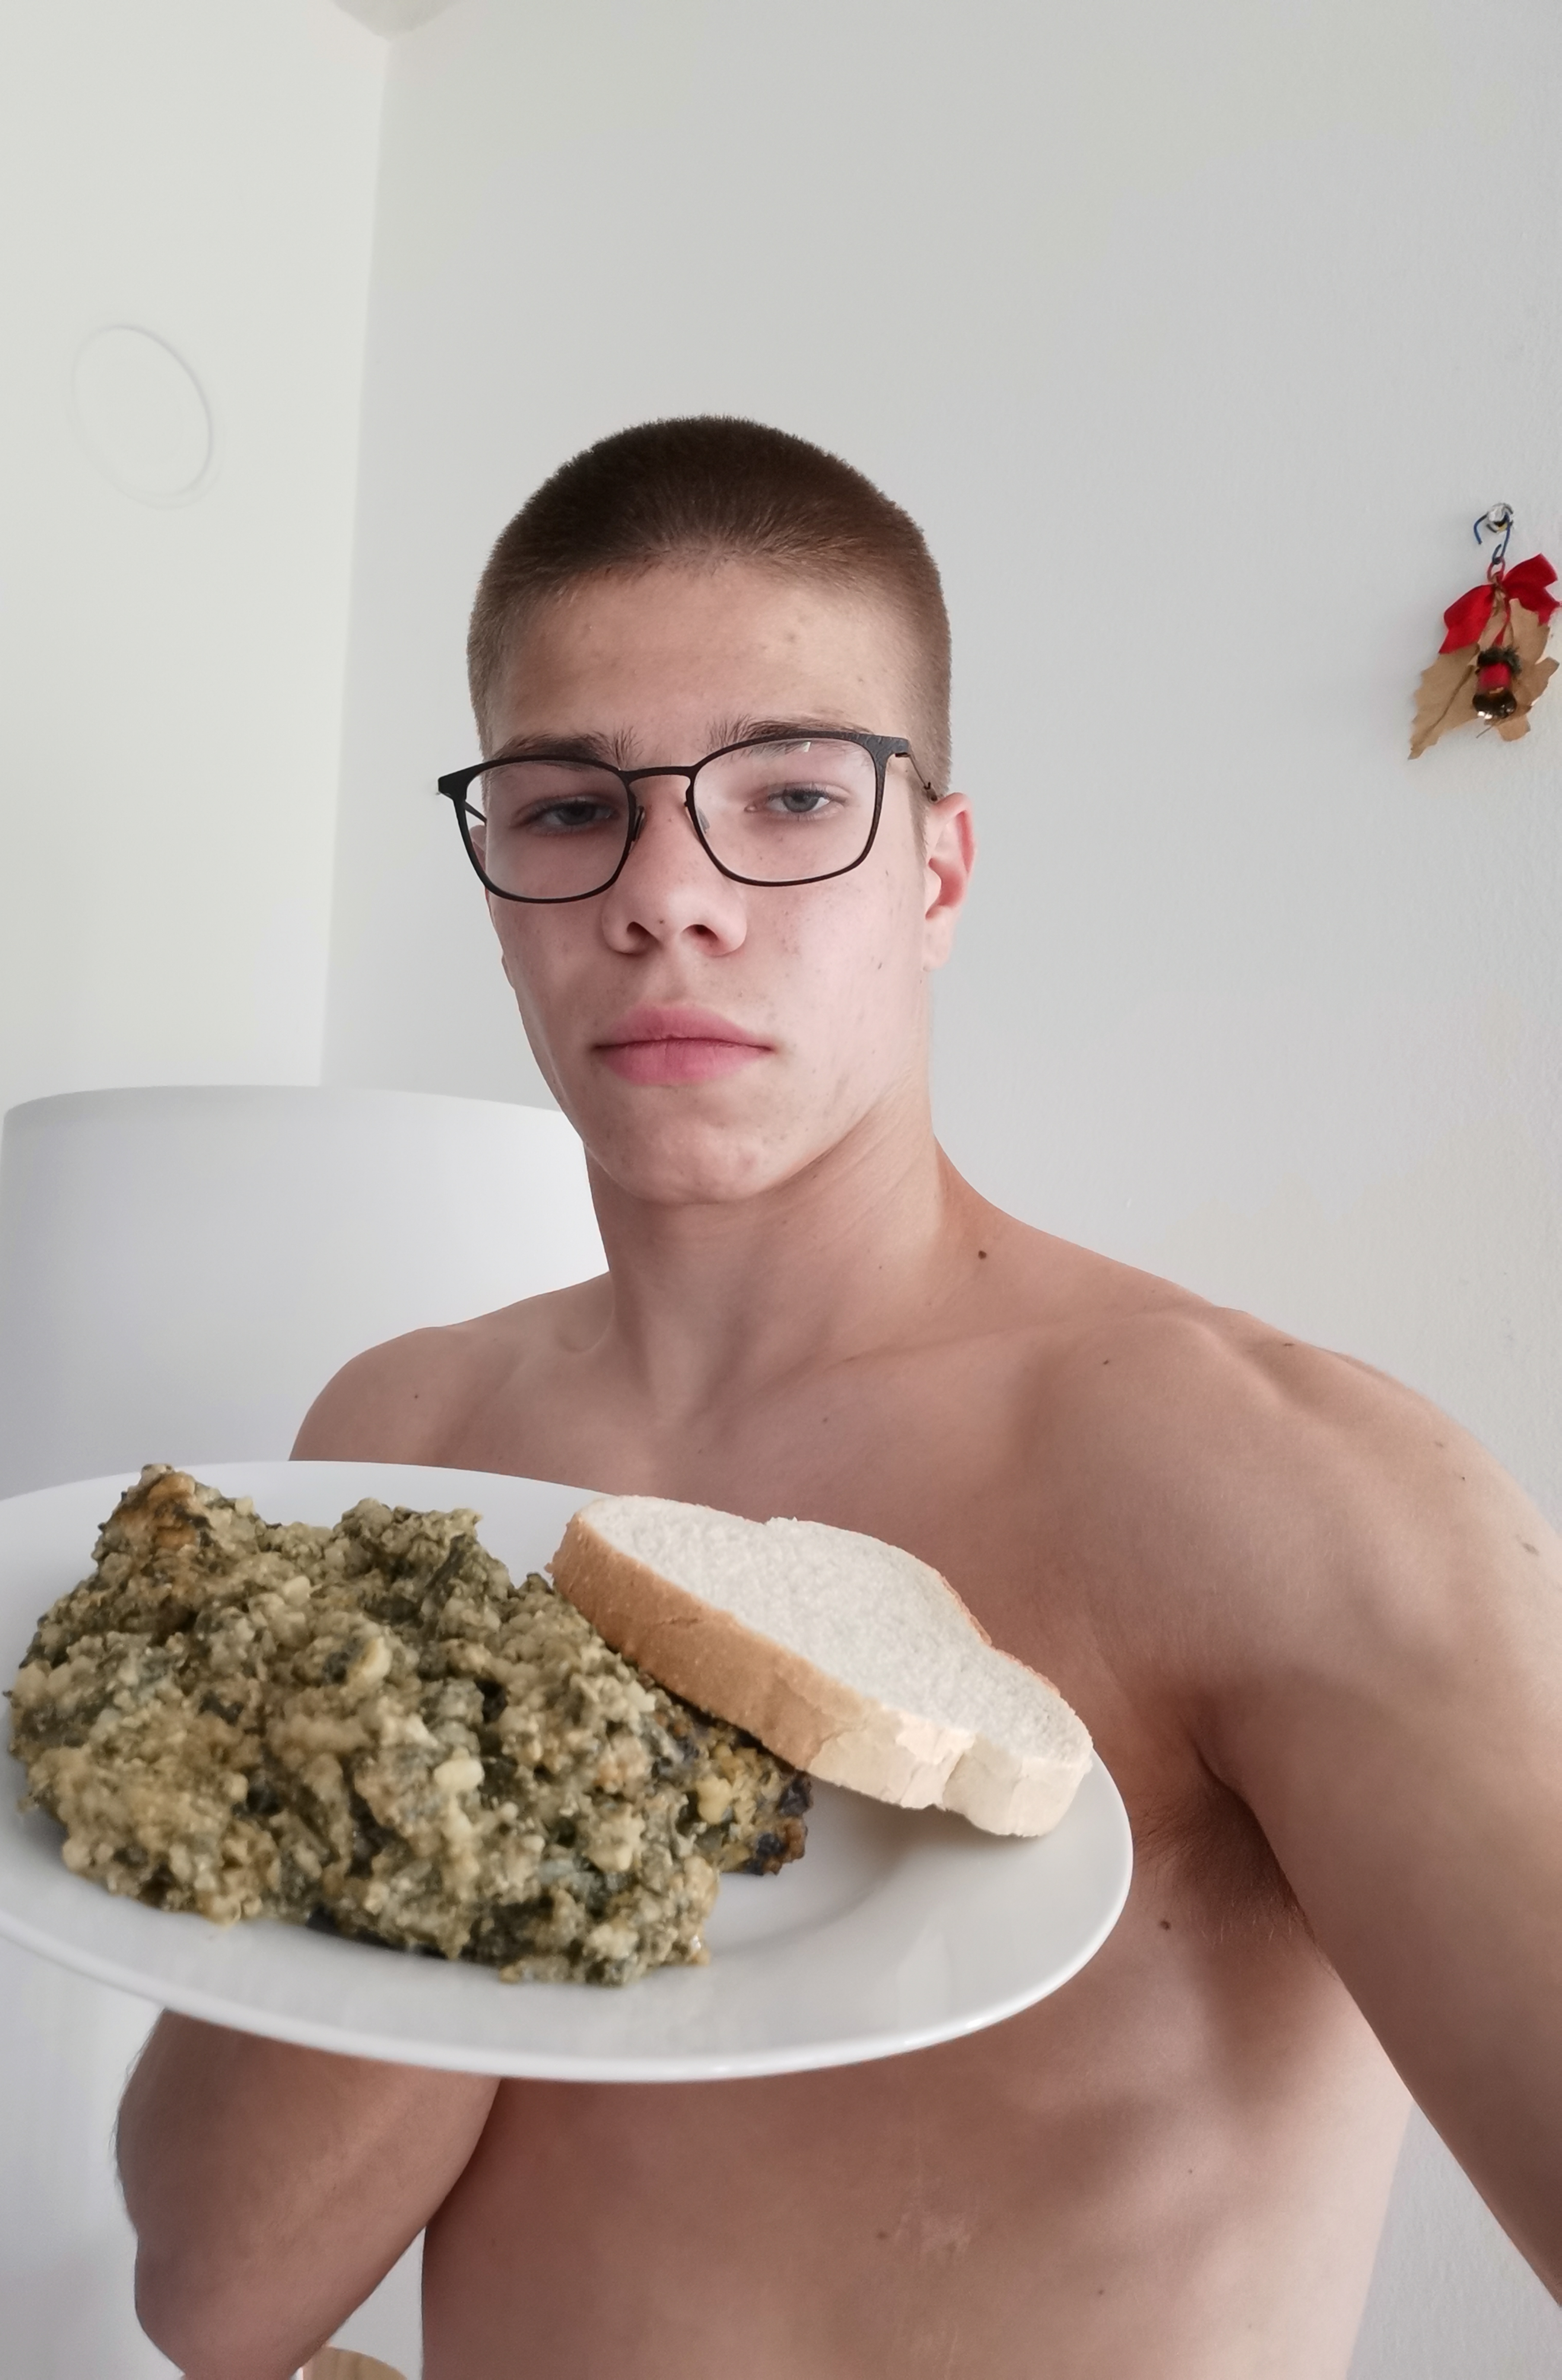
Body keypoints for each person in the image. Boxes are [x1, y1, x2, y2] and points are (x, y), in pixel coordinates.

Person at [116, 418, 1562, 2380]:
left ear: (938, 874)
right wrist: (499, 1755)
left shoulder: (1278, 1486)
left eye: (791, 795)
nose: (667, 897)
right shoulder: (408, 1441)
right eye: (569, 809)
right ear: (498, 885)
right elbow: (215, 2300)